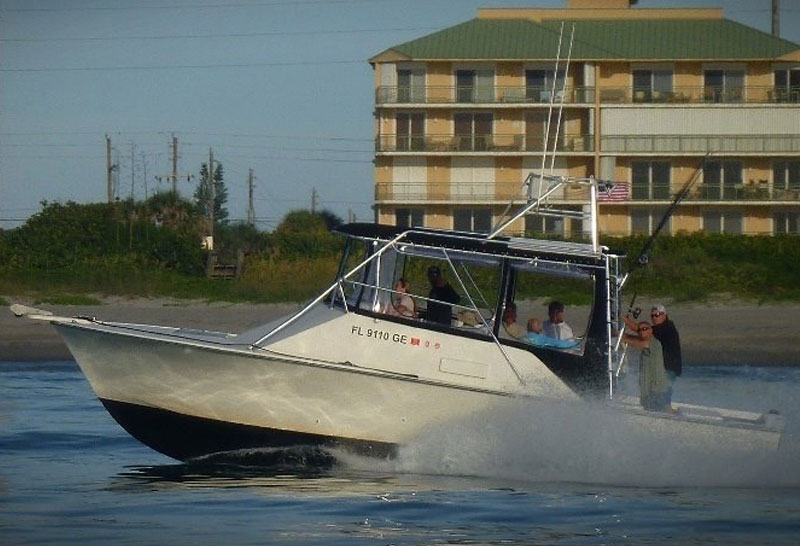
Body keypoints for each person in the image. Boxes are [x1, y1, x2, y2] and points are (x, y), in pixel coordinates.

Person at [624, 303, 682, 407]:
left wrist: (622, 319)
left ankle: (666, 410)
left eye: (657, 315)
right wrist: (622, 336)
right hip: (662, 367)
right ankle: (663, 407)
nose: (654, 318)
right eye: (652, 316)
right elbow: (642, 334)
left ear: (664, 315)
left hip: (669, 367)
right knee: (656, 391)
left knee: (661, 392)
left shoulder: (665, 327)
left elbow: (640, 330)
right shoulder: (659, 329)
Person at [624, 321, 672, 412]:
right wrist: (618, 334)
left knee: (658, 410)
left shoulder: (654, 343)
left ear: (651, 330)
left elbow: (637, 343)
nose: (642, 331)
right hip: (648, 388)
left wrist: (623, 338)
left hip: (656, 389)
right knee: (649, 407)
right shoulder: (645, 341)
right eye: (640, 330)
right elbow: (634, 337)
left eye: (645, 329)